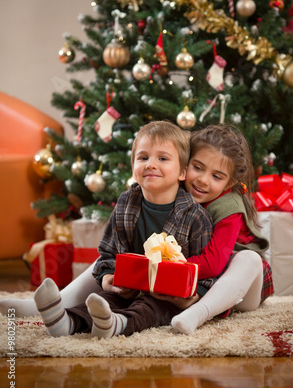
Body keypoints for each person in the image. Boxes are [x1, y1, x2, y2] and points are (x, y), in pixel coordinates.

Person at [32, 121, 213, 339]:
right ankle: (67, 322)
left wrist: (193, 296)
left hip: (169, 298)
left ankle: (119, 324)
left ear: (183, 172)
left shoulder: (195, 216)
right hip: (130, 288)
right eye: (143, 157)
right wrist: (108, 278)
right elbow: (108, 253)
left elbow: (207, 271)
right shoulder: (127, 202)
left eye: (162, 158)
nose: (151, 164)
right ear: (134, 167)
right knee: (103, 300)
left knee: (149, 307)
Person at [171, 124, 274, 334]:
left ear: (230, 183)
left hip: (240, 286)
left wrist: (168, 268)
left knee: (249, 259)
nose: (202, 180)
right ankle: (84, 305)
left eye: (216, 177)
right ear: (185, 163)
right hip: (198, 275)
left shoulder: (229, 208)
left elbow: (213, 263)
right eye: (197, 167)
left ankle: (197, 313)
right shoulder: (176, 191)